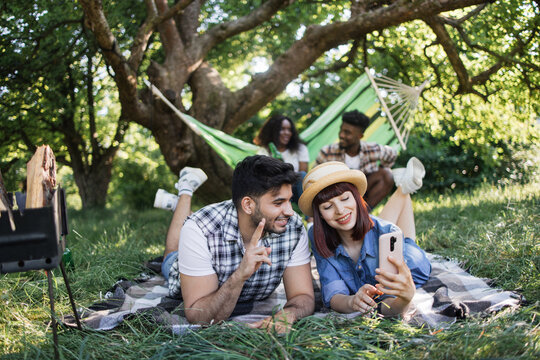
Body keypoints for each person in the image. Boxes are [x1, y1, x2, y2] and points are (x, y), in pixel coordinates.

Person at [161, 155, 315, 332]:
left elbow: (303, 296)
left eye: (289, 200)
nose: (289, 211)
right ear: (248, 205)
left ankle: (179, 204)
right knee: (171, 254)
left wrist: (290, 313)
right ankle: (185, 191)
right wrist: (240, 275)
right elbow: (198, 317)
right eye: (278, 202)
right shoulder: (199, 229)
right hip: (182, 264)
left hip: (214, 232)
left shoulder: (293, 227)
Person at [298, 159, 431, 316]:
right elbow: (333, 295)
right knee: (381, 229)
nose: (340, 210)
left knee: (400, 238)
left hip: (412, 260)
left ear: (356, 197)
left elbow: (390, 306)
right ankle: (405, 188)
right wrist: (351, 301)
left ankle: (405, 188)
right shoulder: (316, 236)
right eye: (327, 206)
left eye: (345, 198)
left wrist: (405, 299)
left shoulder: (386, 232)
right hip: (377, 233)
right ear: (319, 214)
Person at [315, 110, 397, 209]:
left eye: (347, 132)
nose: (341, 135)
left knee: (387, 174)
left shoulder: (373, 149)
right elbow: (314, 180)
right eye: (341, 130)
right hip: (336, 195)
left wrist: (382, 167)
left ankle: (365, 213)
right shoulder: (327, 152)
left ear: (360, 136)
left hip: (362, 193)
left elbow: (392, 155)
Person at [255, 114, 309, 203]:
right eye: (282, 129)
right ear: (274, 131)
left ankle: (310, 216)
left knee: (302, 175)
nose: (287, 133)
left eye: (289, 130)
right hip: (273, 190)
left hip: (295, 189)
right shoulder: (263, 151)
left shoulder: (300, 148)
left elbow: (302, 176)